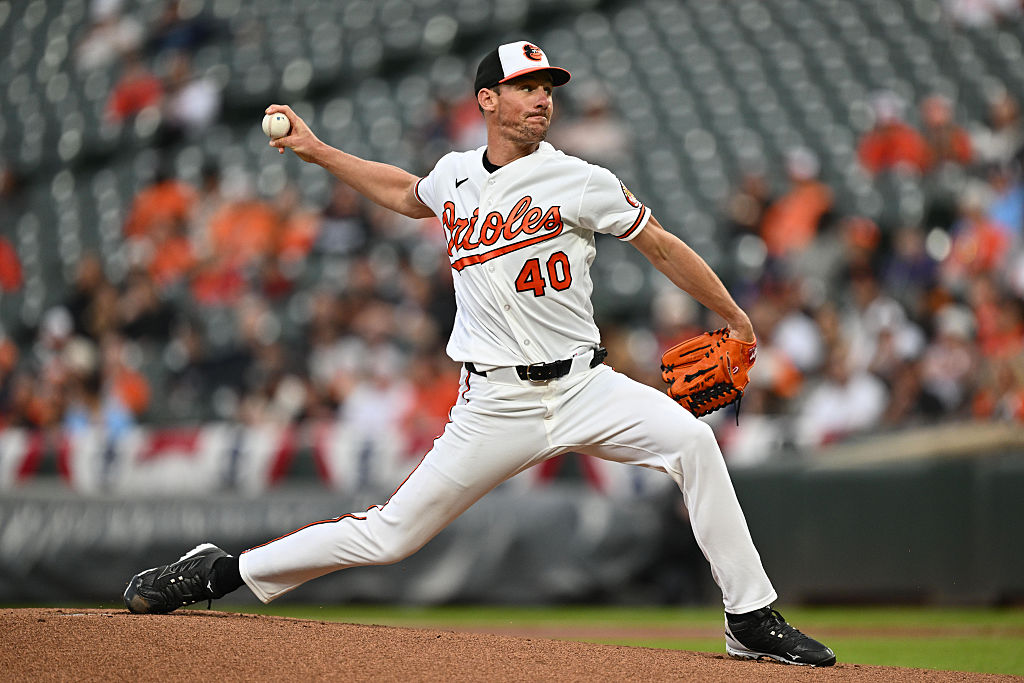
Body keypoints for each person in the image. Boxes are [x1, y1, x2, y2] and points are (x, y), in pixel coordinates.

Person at [123, 40, 836, 667]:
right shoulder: (456, 175)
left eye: (547, 89)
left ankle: (748, 616)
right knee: (390, 536)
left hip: (588, 387)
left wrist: (733, 315)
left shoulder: (579, 178)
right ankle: (220, 571)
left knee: (693, 443)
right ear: (487, 100)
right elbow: (407, 194)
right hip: (494, 402)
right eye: (526, 88)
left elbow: (659, 243)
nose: (541, 101)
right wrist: (315, 150)